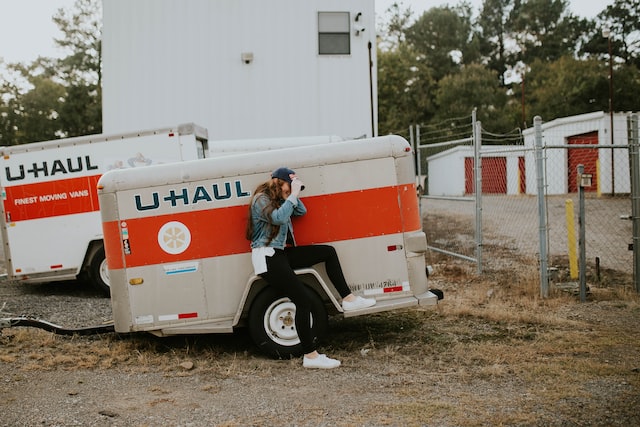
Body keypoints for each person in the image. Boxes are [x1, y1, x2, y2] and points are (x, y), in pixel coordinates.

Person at [246, 167, 376, 369]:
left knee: (328, 252)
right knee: (303, 301)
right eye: (289, 186)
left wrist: (293, 193)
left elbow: (301, 211)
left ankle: (348, 299)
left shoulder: (281, 199)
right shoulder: (260, 199)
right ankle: (311, 356)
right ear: (278, 183)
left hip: (280, 254)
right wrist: (293, 195)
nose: (291, 191)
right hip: (268, 256)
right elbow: (279, 218)